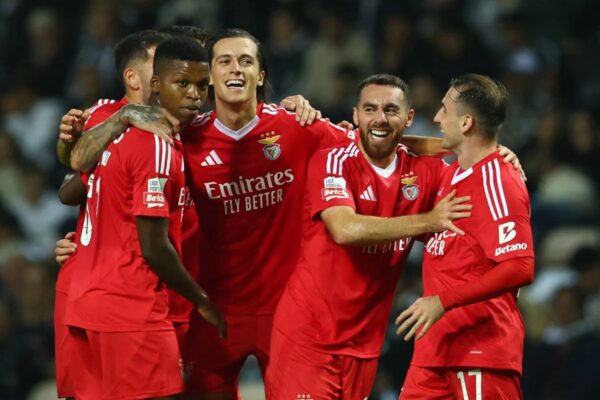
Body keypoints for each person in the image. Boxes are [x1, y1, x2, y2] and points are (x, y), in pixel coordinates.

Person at [265, 74, 472, 398]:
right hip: (309, 338)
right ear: (355, 115)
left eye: (391, 109)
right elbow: (345, 229)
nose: (380, 118)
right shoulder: (334, 159)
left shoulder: (426, 171)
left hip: (365, 343)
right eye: (370, 109)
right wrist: (429, 220)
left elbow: (473, 191)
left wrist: (498, 156)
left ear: (409, 118)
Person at [65, 36, 225, 399]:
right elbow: (153, 245)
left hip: (91, 301)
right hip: (131, 306)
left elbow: (76, 185)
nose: (194, 95)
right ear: (153, 84)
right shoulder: (154, 144)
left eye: (202, 86)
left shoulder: (120, 137)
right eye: (182, 83)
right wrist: (203, 300)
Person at [395, 74, 535, 399]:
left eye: (444, 110)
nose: (436, 118)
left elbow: (520, 266)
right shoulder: (452, 174)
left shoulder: (499, 180)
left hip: (479, 351)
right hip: (434, 352)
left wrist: (443, 301)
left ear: (467, 122)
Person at [53, 29, 168, 400]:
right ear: (132, 77)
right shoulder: (105, 115)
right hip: (114, 289)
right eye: (159, 62)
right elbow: (71, 183)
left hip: (150, 290)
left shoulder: (186, 124)